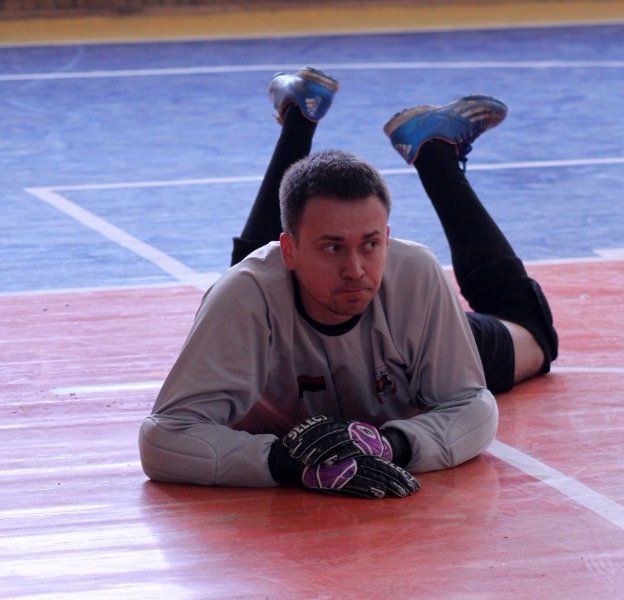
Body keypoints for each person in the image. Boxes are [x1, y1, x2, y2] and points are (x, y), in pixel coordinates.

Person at [139, 67, 558, 499]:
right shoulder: (245, 298)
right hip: (284, 297)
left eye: (371, 244)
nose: (355, 269)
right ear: (287, 252)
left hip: (405, 346)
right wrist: (288, 462)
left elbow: (473, 407)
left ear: (388, 241)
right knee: (255, 274)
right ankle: (323, 126)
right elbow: (163, 439)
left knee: (534, 335)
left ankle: (428, 152)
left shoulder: (413, 278)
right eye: (333, 248)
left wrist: (388, 445)